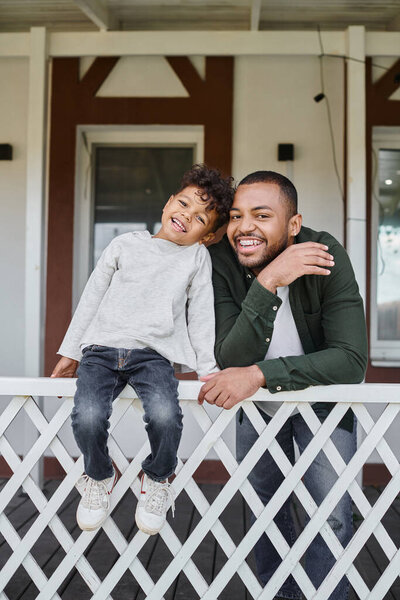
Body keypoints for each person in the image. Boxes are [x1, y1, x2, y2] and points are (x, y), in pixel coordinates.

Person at [198, 171, 368, 600]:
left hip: (323, 410)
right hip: (258, 412)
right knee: (263, 515)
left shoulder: (326, 253)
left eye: (261, 215)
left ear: (293, 225)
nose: (244, 227)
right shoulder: (223, 259)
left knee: (329, 518)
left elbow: (350, 361)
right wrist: (270, 279)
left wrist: (260, 375)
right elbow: (230, 355)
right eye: (236, 216)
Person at [51, 164, 234, 535]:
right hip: (100, 351)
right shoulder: (124, 245)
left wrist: (207, 369)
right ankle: (99, 476)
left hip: (152, 356)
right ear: (168, 202)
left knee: (166, 416)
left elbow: (201, 316)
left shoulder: (196, 259)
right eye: (182, 203)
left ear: (208, 236)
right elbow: (90, 299)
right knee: (87, 416)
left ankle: (158, 477)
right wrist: (70, 352)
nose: (186, 215)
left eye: (200, 218)